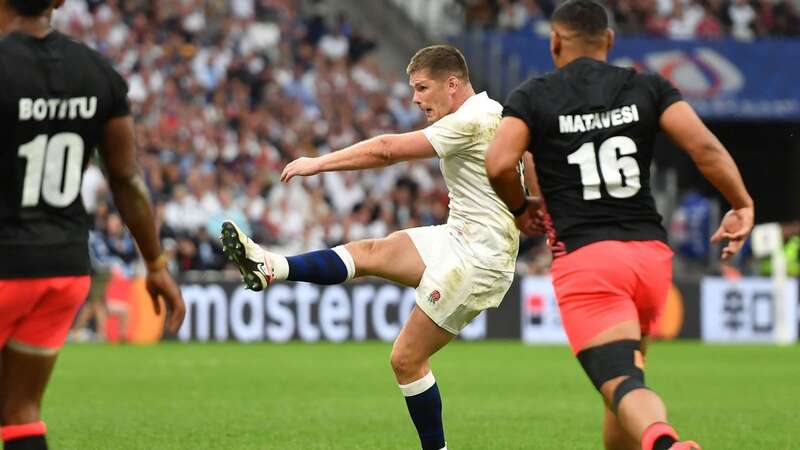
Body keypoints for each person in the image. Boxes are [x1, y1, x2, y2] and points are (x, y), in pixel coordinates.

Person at [222, 44, 528, 450]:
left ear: (452, 85)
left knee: (406, 360)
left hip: (479, 258)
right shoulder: (495, 113)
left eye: (422, 88)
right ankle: (271, 266)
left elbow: (387, 150)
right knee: (368, 253)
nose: (415, 99)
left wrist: (318, 163)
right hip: (460, 236)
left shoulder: (469, 121)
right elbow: (531, 152)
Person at [484, 1, 754, 449]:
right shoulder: (647, 87)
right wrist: (741, 203)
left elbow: (498, 163)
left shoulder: (534, 96)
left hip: (590, 262)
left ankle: (666, 444)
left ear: (554, 42)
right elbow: (704, 147)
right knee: (624, 388)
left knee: (621, 383)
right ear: (609, 40)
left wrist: (519, 207)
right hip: (650, 260)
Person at [0, 1, 186, 449]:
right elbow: (125, 178)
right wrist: (156, 264)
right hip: (62, 268)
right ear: (60, 1)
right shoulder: (97, 72)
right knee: (20, 411)